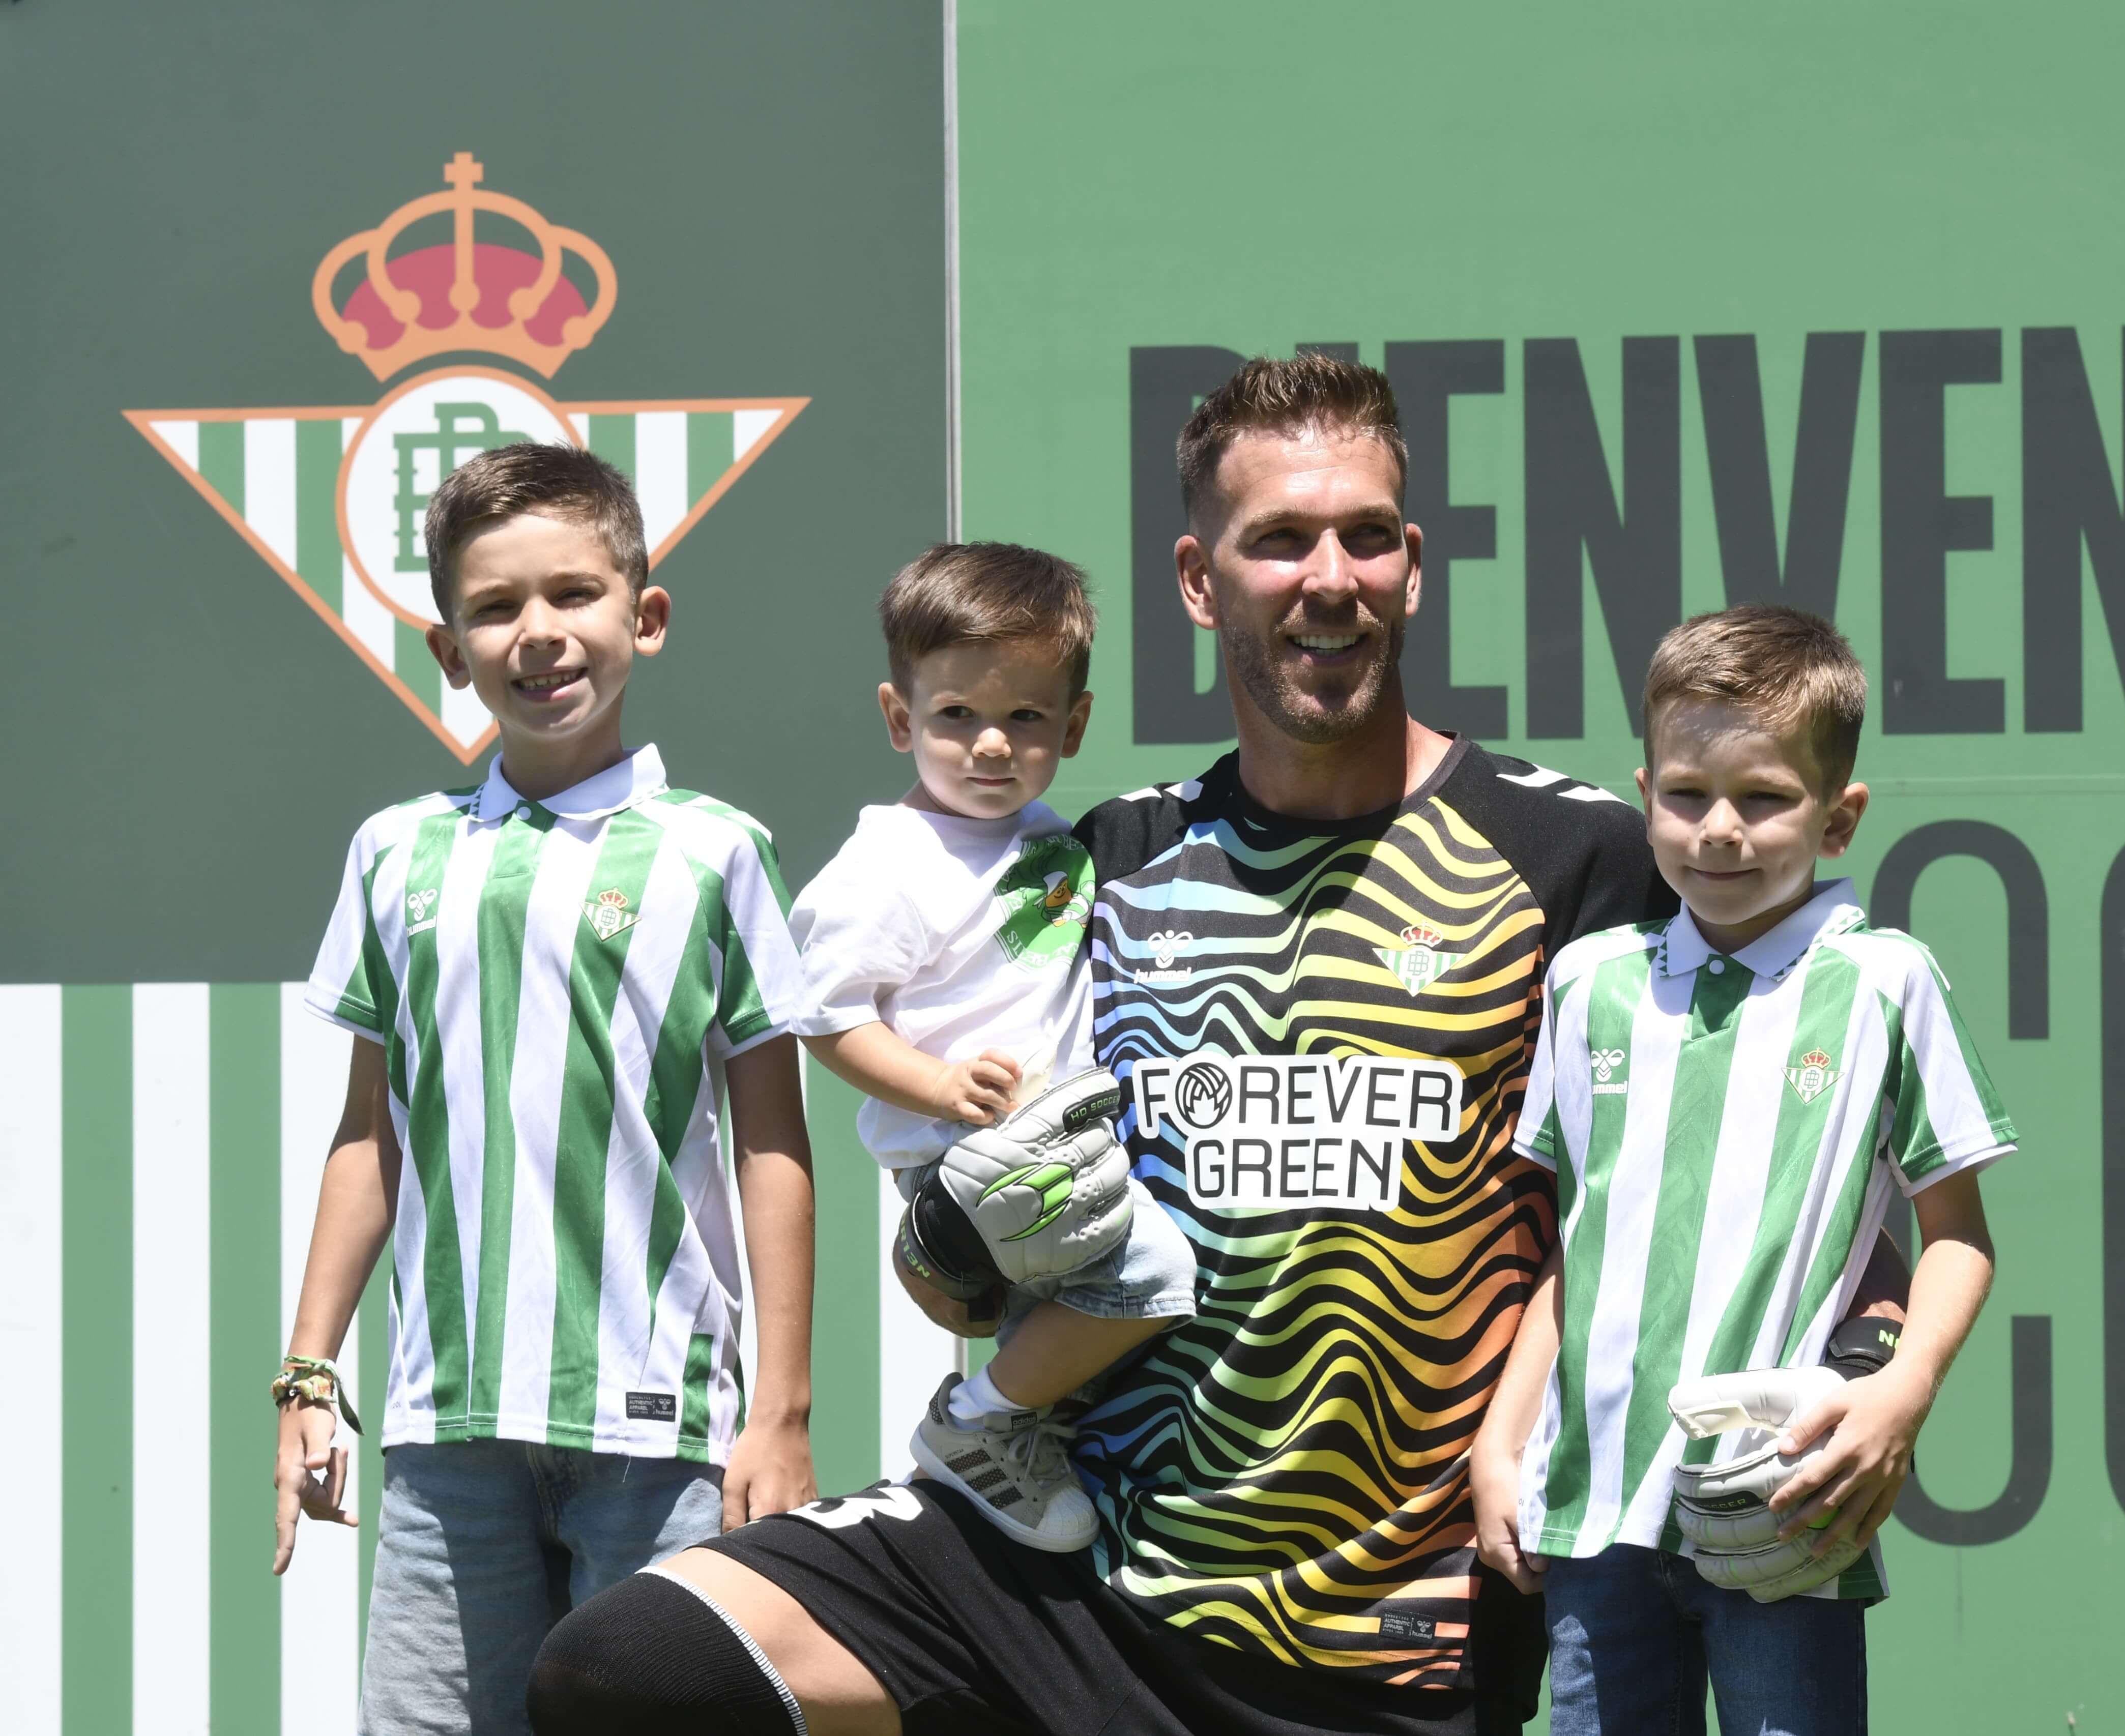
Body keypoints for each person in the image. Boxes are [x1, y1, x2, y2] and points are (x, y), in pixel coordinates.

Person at [527, 352, 1691, 1736]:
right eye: (1280, 539)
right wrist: (956, 1231)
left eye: (1367, 535)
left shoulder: (1584, 858)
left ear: (1414, 565)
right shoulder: (1107, 862)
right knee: (630, 1666)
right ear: (1201, 582)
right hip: (1067, 1576)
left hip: (1385, 1637)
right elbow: (964, 1275)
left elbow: (1676, 1200)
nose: (1331, 574)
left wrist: (1550, 1428)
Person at [274, 442, 821, 1734]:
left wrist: (782, 1415)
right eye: (495, 607)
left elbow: (774, 1145)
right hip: (445, 1432)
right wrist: (306, 1376)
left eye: (574, 594)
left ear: (647, 614)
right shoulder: (394, 854)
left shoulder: (716, 852)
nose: (540, 633)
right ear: (447, 649)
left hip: (663, 1433)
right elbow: (371, 1136)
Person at [1468, 606, 2009, 1736]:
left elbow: (1957, 1237)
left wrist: (1897, 1401)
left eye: (1764, 799)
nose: (1719, 830)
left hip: (1784, 1510)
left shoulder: (1882, 982)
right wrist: (1500, 1444)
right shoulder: (1589, 983)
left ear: (1839, 815)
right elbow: (1580, 1255)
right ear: (1645, 793)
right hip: (1594, 1517)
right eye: (1685, 795)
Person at [782, 541, 1198, 1551]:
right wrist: (937, 1085)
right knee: (1153, 1276)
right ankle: (973, 1428)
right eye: (956, 717)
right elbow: (829, 1020)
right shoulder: (881, 866)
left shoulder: (1053, 840)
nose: (991, 746)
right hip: (965, 1159)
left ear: (1075, 724)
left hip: (1055, 1142)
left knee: (1070, 1322)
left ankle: (1017, 1432)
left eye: (1025, 719)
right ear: (899, 719)